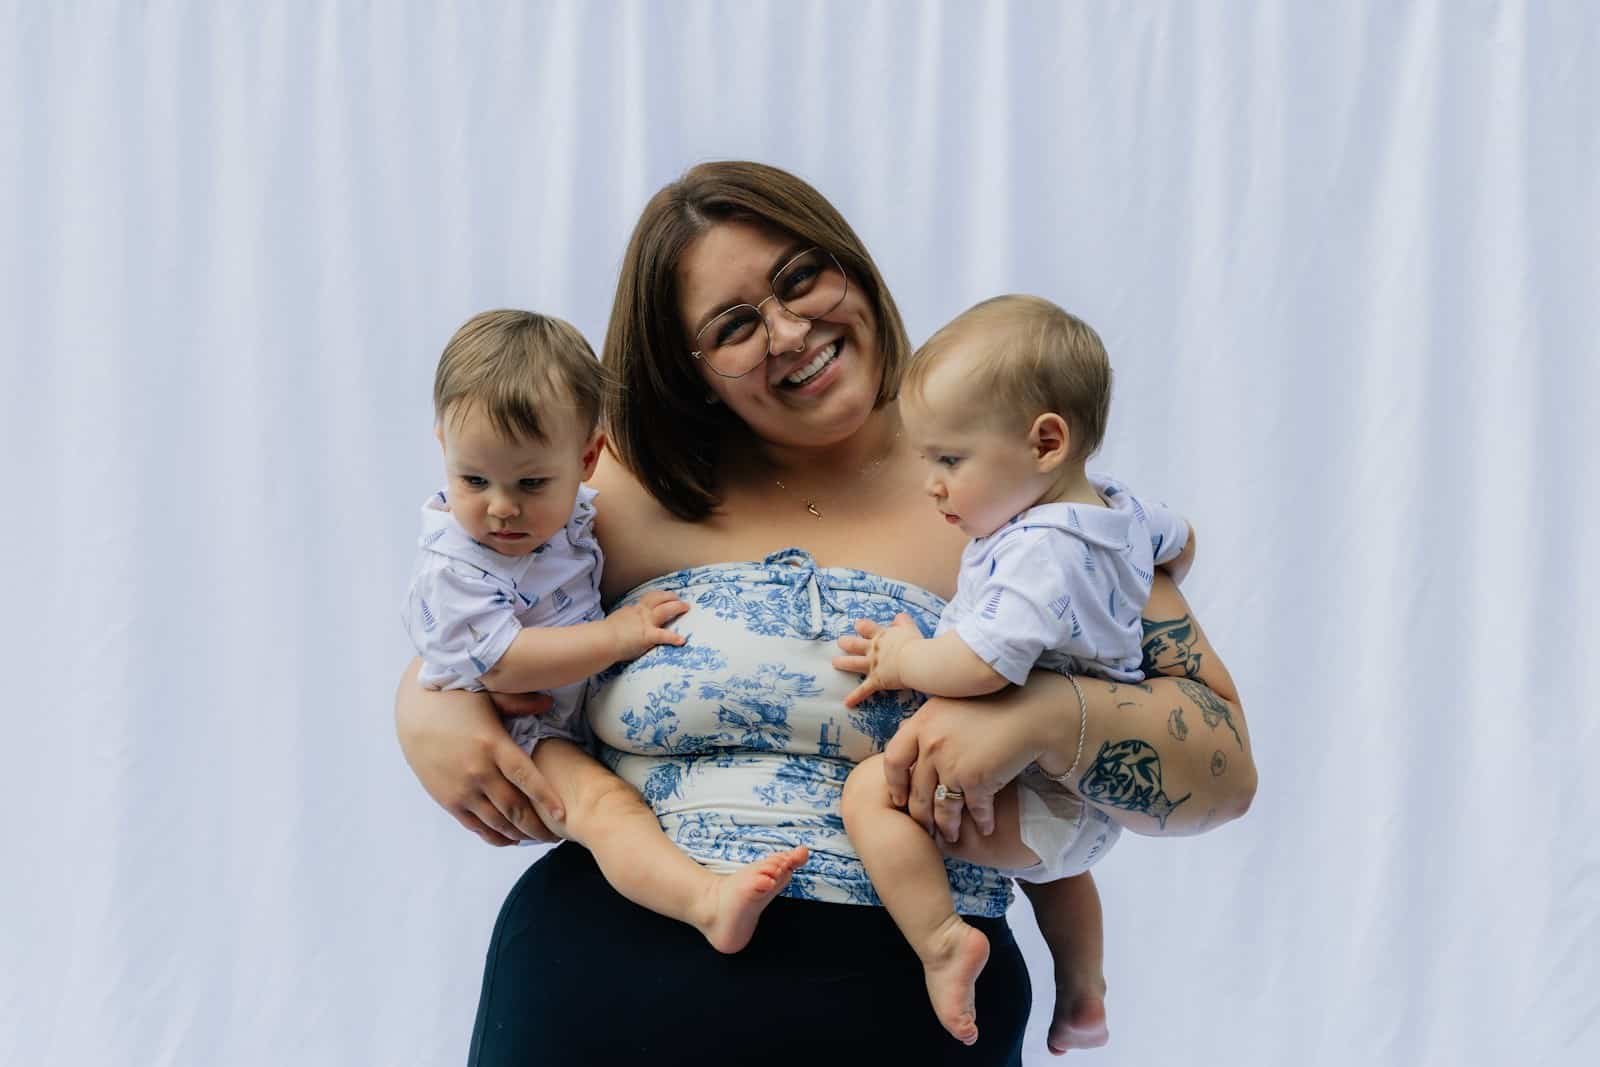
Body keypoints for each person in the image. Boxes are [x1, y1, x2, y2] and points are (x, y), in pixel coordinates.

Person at [393, 161, 1256, 1066]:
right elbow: (467, 614)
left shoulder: (1030, 503)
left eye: (801, 277)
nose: (789, 330)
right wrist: (425, 704)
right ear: (688, 372)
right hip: (592, 997)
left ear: (851, 261)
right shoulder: (608, 498)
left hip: (910, 1019)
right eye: (733, 326)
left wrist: (1043, 715)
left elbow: (1224, 771)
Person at [835, 294, 1200, 1049]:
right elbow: (1182, 542)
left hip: (1040, 791)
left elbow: (982, 665)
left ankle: (941, 941)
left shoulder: (1038, 551)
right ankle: (1084, 992)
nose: (931, 483)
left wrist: (904, 656)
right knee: (1058, 876)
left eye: (949, 459)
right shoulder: (1120, 510)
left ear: (1045, 443)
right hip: (1081, 793)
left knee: (872, 792)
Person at [402, 309, 810, 953]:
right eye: (472, 479)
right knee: (606, 809)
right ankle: (707, 903)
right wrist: (620, 638)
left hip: (573, 713)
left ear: (589, 458)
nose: (501, 507)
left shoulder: (575, 516)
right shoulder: (456, 562)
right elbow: (504, 664)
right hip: (523, 730)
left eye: (531, 482)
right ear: (442, 446)